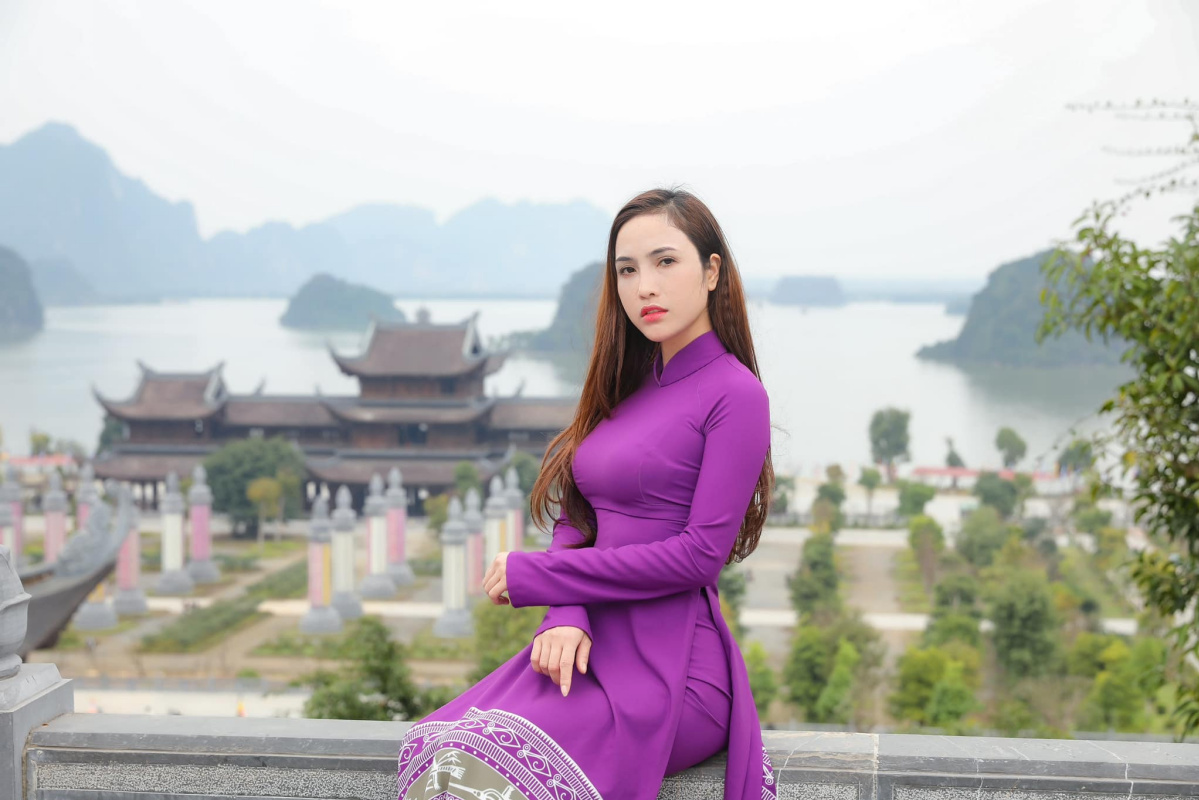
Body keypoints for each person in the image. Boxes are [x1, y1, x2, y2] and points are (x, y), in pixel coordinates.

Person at [396, 187, 776, 799]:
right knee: (437, 748)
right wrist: (565, 613)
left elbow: (698, 556)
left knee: (476, 775)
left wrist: (544, 579)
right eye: (627, 271)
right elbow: (579, 511)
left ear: (711, 272)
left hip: (673, 670)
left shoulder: (735, 395)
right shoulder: (625, 385)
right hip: (583, 647)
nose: (644, 286)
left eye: (665, 262)